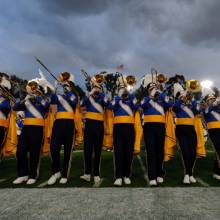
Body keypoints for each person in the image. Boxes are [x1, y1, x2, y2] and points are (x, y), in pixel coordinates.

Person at [13, 78, 50, 185]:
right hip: (26, 127)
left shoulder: (44, 98)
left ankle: (33, 175)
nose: (33, 89)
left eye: (35, 87)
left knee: (35, 152)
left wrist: (37, 97)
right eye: (31, 87)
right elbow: (15, 107)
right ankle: (22, 174)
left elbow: (46, 106)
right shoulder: (27, 99)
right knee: (20, 151)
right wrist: (25, 98)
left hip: (38, 128)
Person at [47, 72, 78, 185]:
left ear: (71, 84)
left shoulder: (74, 93)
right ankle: (55, 172)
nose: (65, 83)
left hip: (69, 123)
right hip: (58, 122)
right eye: (64, 82)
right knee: (54, 147)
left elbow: (74, 102)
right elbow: (52, 101)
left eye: (67, 82)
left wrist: (67, 90)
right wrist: (55, 89)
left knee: (68, 151)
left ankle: (65, 174)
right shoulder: (59, 94)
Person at [141, 76, 172, 186]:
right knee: (151, 152)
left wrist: (161, 94)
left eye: (154, 88)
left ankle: (159, 173)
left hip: (160, 126)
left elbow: (169, 105)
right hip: (149, 127)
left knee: (159, 151)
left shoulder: (162, 98)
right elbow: (142, 106)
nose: (153, 90)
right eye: (151, 89)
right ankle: (152, 176)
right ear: (148, 90)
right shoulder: (145, 99)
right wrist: (150, 97)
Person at [109, 75, 138, 186]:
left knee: (128, 152)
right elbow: (111, 107)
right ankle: (118, 176)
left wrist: (128, 96)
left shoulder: (132, 97)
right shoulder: (115, 98)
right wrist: (119, 98)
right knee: (119, 152)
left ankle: (126, 175)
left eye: (123, 87)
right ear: (118, 89)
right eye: (120, 88)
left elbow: (136, 106)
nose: (122, 89)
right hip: (118, 127)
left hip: (129, 127)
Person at [80, 74, 109, 184]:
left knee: (97, 151)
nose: (96, 88)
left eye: (98, 86)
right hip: (89, 125)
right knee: (87, 150)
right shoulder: (88, 96)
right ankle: (87, 173)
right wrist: (90, 93)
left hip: (99, 125)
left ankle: (96, 173)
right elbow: (81, 104)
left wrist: (101, 92)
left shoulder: (102, 96)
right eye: (95, 86)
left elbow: (109, 104)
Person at [173, 84, 198, 184]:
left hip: (191, 129)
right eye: (181, 95)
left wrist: (191, 99)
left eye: (184, 95)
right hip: (181, 129)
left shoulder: (192, 103)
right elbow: (175, 108)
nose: (184, 96)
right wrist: (181, 99)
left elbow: (196, 111)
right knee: (185, 151)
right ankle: (187, 175)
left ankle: (189, 174)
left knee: (193, 152)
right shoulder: (177, 103)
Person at [202, 93, 220, 180]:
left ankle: (217, 172)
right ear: (206, 101)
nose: (212, 100)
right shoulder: (206, 108)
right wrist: (213, 104)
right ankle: (217, 172)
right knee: (218, 150)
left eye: (213, 98)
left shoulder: (217, 108)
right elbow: (206, 112)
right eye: (210, 99)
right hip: (213, 130)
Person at [0, 76, 11, 154]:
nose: (3, 91)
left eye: (5, 90)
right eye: (2, 89)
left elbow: (6, 108)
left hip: (1, 124)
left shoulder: (7, 100)